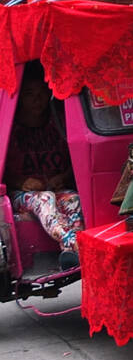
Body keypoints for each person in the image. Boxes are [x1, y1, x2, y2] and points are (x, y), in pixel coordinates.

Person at [4, 64, 83, 269]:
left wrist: (63, 178)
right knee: (45, 199)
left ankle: (69, 253)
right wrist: (22, 182)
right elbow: (3, 171)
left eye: (41, 93)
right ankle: (73, 243)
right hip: (24, 193)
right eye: (30, 94)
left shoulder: (58, 122)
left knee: (74, 199)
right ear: (20, 98)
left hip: (56, 186)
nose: (36, 99)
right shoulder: (10, 128)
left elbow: (76, 159)